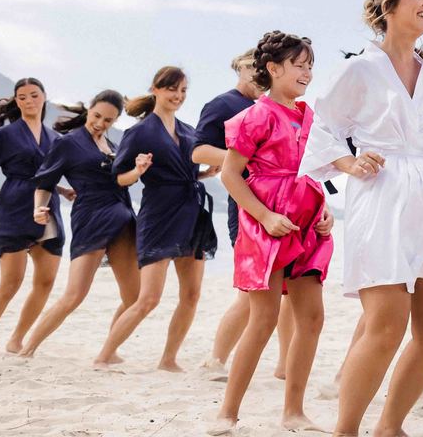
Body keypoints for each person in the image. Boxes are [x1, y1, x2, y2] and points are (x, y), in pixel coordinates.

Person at [298, 0, 423, 437]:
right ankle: (346, 430)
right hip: (382, 198)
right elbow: (321, 129)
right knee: (386, 325)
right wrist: (349, 162)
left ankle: (390, 427)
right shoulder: (360, 68)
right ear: (389, 4)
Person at [210, 31, 333, 434]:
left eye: (310, 66)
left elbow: (312, 170)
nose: (307, 73)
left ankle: (293, 411)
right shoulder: (256, 115)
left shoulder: (310, 117)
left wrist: (325, 210)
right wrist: (264, 217)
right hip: (267, 224)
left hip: (306, 223)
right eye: (299, 65)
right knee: (262, 319)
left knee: (312, 318)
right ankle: (227, 413)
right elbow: (230, 175)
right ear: (274, 68)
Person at [93, 66, 218, 370]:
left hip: (191, 214)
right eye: (172, 89)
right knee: (148, 299)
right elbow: (119, 178)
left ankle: (168, 359)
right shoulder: (140, 132)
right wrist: (137, 171)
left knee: (191, 295)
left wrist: (206, 173)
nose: (178, 96)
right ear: (156, 89)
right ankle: (104, 355)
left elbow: (187, 173)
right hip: (159, 217)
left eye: (183, 90)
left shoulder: (189, 131)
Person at [195, 50, 295, 377]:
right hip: (248, 207)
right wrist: (249, 156)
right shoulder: (223, 104)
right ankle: (216, 360)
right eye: (250, 67)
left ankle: (285, 366)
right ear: (238, 68)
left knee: (290, 293)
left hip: (285, 208)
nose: (256, 73)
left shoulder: (271, 107)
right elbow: (199, 151)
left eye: (261, 67)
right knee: (251, 295)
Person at [20, 90, 140, 358]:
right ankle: (28, 349)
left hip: (123, 220)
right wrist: (39, 208)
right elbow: (45, 182)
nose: (100, 123)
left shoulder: (115, 145)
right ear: (89, 109)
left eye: (108, 120)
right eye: (96, 116)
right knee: (74, 295)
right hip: (92, 220)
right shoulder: (68, 143)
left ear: (115, 121)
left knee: (135, 297)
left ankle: (110, 350)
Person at [0, 78, 65, 353]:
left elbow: (48, 174)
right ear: (16, 101)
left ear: (44, 97)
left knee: (46, 282)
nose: (28, 101)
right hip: (14, 209)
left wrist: (65, 190)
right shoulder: (6, 135)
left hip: (47, 209)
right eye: (22, 97)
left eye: (34, 95)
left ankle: (16, 339)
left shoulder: (56, 138)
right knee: (11, 283)